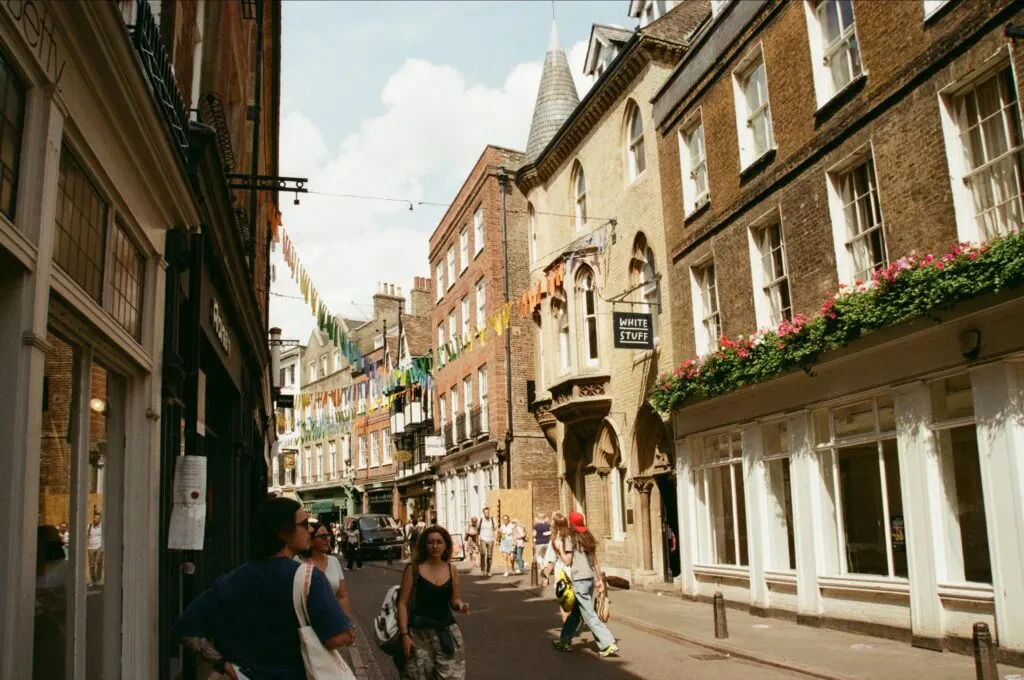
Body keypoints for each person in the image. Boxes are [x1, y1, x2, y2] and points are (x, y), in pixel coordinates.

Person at [172, 497, 355, 679]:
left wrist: (224, 665)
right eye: (304, 524)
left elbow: (185, 628)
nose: (309, 530)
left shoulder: (231, 581)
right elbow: (335, 638)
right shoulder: (310, 578)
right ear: (284, 532)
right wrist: (349, 631)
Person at [397, 525, 469, 679]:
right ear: (424, 545)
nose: (435, 546)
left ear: (446, 545)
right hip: (418, 634)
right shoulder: (413, 569)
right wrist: (404, 635)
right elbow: (402, 603)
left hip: (446, 632)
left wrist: (460, 605)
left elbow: (454, 599)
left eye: (439, 542)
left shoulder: (452, 569)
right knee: (417, 676)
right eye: (430, 542)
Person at [551, 512, 618, 657]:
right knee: (575, 613)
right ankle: (564, 640)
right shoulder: (588, 537)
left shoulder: (571, 538)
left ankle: (607, 643)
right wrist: (599, 580)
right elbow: (595, 561)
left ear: (571, 523)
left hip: (579, 581)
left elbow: (568, 561)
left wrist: (561, 549)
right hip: (589, 580)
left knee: (589, 614)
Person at [298, 522, 356, 625]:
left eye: (328, 535)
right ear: (310, 541)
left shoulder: (333, 561)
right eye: (321, 536)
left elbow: (342, 595)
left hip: (333, 621)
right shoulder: (299, 563)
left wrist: (348, 622)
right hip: (308, 623)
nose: (327, 539)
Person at [477, 508, 496, 576]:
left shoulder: (493, 520)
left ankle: (488, 570)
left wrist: (495, 540)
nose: (487, 513)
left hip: (491, 539)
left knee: (489, 555)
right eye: (485, 512)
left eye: (488, 512)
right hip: (483, 539)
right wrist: (477, 540)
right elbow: (477, 530)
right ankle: (482, 570)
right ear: (483, 513)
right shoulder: (481, 520)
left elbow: (495, 529)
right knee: (483, 554)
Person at [86, 511, 103, 585]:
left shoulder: (102, 527)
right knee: (91, 565)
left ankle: (98, 579)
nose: (95, 519)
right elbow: (86, 536)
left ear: (100, 519)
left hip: (99, 546)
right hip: (91, 547)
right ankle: (93, 580)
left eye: (97, 518)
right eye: (95, 518)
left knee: (99, 562)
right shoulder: (89, 526)